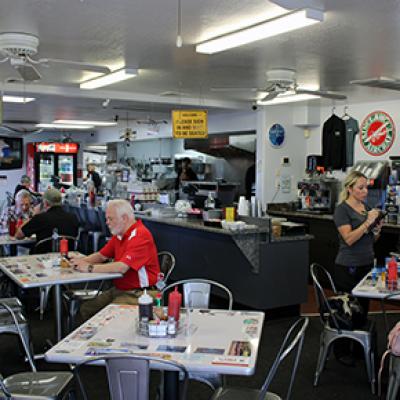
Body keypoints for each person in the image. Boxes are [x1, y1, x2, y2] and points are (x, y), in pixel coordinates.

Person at [69, 199, 160, 321]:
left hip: (140, 294)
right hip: (120, 289)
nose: (107, 223)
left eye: (110, 219)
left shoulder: (140, 235)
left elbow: (122, 267)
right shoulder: (120, 234)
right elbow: (101, 256)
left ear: (124, 218)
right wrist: (81, 261)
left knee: (106, 318)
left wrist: (89, 267)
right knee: (86, 309)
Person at [333, 170, 382, 363]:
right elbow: (349, 238)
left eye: (366, 187)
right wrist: (367, 223)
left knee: (363, 310)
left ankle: (360, 348)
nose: (364, 191)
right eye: (360, 188)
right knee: (347, 312)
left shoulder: (365, 207)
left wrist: (376, 229)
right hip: (348, 266)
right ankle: (342, 351)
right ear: (350, 189)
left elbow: (371, 239)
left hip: (366, 264)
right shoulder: (342, 210)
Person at [15, 188, 79, 254]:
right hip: (66, 257)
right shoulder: (73, 217)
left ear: (45, 203)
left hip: (42, 259)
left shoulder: (40, 218)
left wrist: (32, 217)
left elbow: (18, 235)